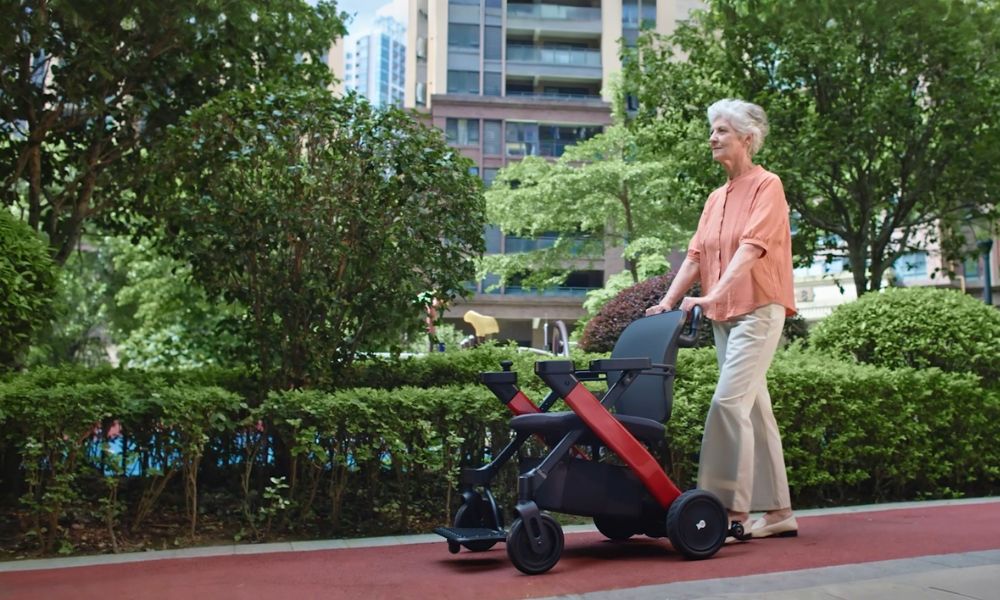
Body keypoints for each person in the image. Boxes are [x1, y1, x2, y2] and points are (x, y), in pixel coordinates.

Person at [645, 98, 797, 540]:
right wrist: (668, 302)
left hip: (758, 310)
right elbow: (695, 255)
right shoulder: (716, 198)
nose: (713, 137)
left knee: (727, 404)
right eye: (712, 130)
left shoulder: (768, 185)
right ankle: (779, 512)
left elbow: (751, 249)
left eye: (722, 131)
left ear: (746, 139)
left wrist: (710, 295)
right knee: (754, 409)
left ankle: (724, 508)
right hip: (724, 314)